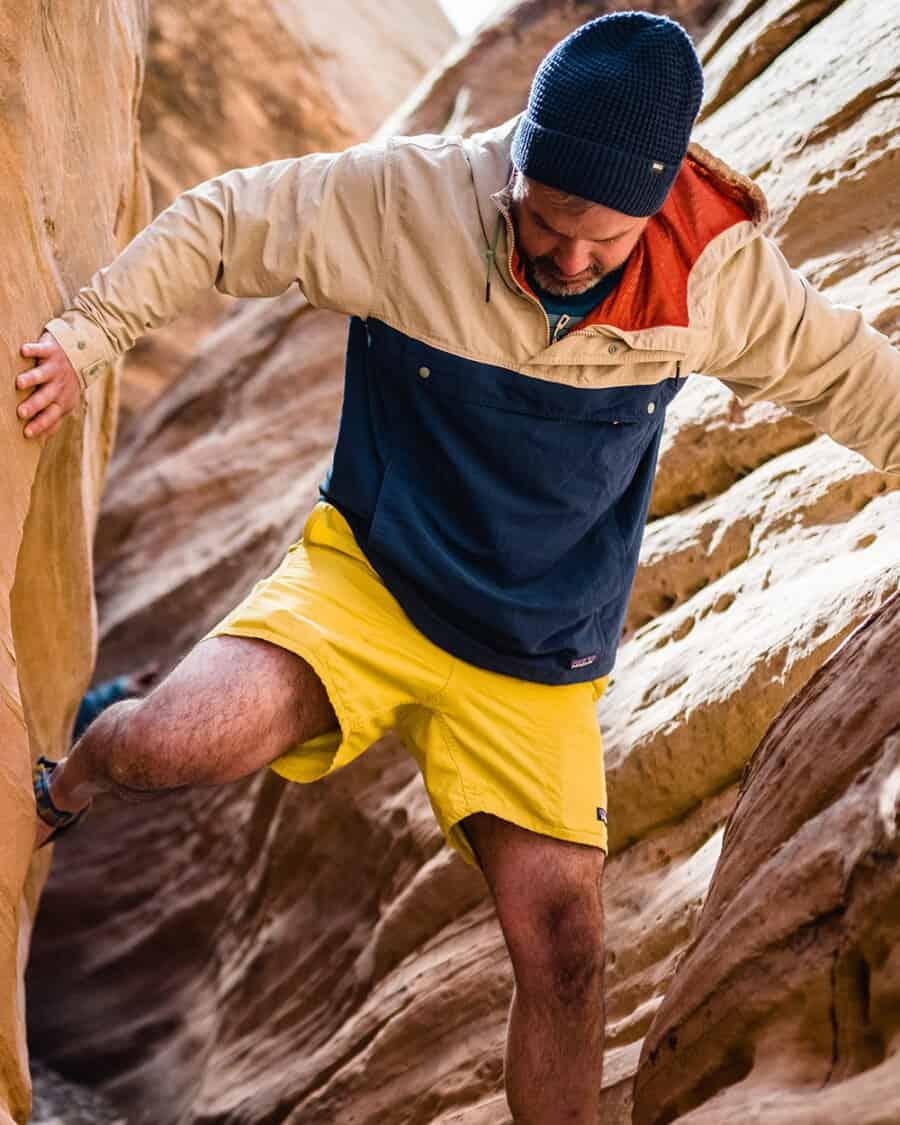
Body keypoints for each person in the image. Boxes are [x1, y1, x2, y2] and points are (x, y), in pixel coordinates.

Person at [17, 12, 900, 1123]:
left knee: (569, 950)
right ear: (517, 162)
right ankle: (68, 778)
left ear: (664, 199)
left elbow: (855, 379)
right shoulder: (412, 204)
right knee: (166, 747)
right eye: (547, 223)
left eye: (606, 240)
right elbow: (226, 217)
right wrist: (89, 335)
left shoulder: (714, 271)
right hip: (368, 585)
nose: (570, 260)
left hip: (536, 657)